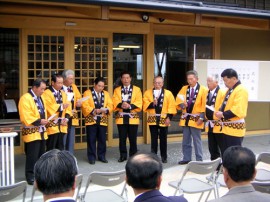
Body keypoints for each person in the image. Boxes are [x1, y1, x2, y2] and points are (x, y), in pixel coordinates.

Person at [18, 79, 48, 185]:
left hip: (41, 131)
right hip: (32, 132)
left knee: (41, 155)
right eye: (42, 89)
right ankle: (30, 176)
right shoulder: (25, 98)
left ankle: (39, 175)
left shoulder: (41, 98)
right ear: (34, 87)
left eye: (44, 89)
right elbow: (26, 115)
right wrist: (40, 121)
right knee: (32, 156)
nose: (43, 91)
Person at [176, 70, 207, 164]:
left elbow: (205, 105)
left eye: (191, 79)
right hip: (186, 118)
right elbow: (178, 99)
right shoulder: (184, 88)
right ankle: (186, 158)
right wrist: (182, 105)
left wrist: (202, 118)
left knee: (197, 140)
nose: (189, 81)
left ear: (197, 79)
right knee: (186, 139)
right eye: (188, 79)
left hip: (197, 118)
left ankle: (199, 159)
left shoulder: (204, 90)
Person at [143, 76, 177, 163]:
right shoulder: (148, 93)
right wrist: (152, 103)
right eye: (155, 83)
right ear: (153, 83)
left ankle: (164, 156)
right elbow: (145, 104)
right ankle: (153, 156)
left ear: (162, 84)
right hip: (153, 117)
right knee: (153, 138)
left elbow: (172, 106)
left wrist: (169, 117)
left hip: (164, 118)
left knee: (163, 138)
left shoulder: (168, 93)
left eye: (159, 83)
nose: (157, 84)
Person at [215, 69, 248, 156]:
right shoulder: (230, 89)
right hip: (226, 128)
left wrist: (222, 114)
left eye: (226, 80)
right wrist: (220, 111)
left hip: (235, 129)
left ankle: (234, 170)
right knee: (226, 154)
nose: (225, 83)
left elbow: (238, 109)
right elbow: (224, 104)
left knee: (234, 155)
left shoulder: (241, 90)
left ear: (233, 78)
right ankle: (227, 169)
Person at [81, 77, 113, 164]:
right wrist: (93, 111)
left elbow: (110, 104)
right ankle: (91, 157)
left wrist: (106, 109)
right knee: (91, 139)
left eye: (103, 86)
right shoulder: (87, 93)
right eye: (99, 86)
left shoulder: (106, 93)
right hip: (91, 119)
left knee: (102, 139)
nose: (101, 88)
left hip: (102, 118)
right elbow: (84, 105)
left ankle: (102, 156)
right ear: (94, 85)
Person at [112, 71, 142, 162]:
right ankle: (123, 155)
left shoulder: (137, 89)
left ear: (130, 78)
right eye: (124, 78)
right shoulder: (117, 90)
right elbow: (114, 101)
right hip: (121, 118)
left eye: (127, 77)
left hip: (133, 117)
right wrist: (121, 105)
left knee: (133, 138)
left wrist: (129, 106)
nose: (126, 79)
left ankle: (133, 155)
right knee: (122, 138)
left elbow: (139, 102)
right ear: (121, 79)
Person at [43, 73, 72, 151]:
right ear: (52, 83)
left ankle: (60, 163)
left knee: (61, 148)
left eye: (62, 83)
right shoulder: (46, 93)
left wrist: (66, 118)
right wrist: (62, 106)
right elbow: (49, 107)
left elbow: (68, 107)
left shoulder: (63, 93)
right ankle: (50, 163)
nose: (60, 85)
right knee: (51, 148)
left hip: (62, 124)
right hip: (52, 125)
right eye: (58, 83)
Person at [62, 69, 82, 154]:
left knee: (70, 138)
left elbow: (79, 98)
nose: (72, 81)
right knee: (63, 138)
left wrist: (79, 103)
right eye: (70, 79)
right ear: (64, 79)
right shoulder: (60, 88)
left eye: (72, 79)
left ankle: (70, 157)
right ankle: (61, 158)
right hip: (63, 116)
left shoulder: (74, 87)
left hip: (72, 115)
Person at [205, 75, 224, 160]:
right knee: (212, 146)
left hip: (218, 123)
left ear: (216, 82)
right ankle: (215, 164)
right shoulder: (207, 93)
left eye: (210, 81)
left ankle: (223, 164)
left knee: (220, 144)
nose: (208, 83)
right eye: (207, 81)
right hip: (210, 123)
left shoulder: (222, 93)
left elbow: (223, 107)